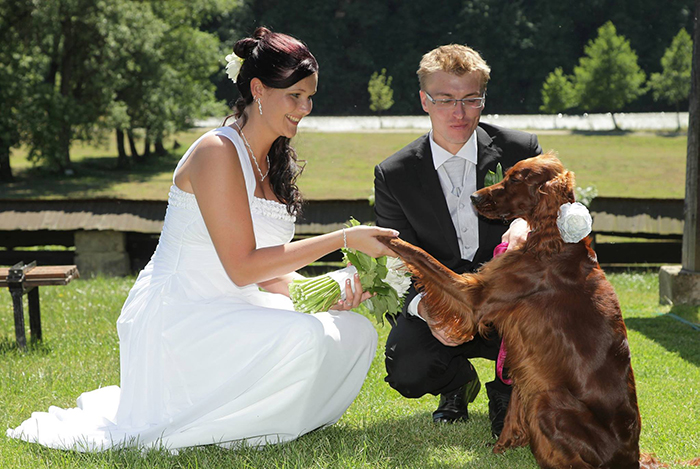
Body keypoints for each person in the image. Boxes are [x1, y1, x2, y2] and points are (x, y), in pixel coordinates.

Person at [7, 27, 398, 452]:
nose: (305, 108)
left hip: (240, 304)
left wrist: (324, 292)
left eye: (310, 96)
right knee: (305, 337)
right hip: (183, 314)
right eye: (295, 95)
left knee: (356, 332)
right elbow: (243, 265)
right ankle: (238, 423)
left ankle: (264, 419)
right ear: (258, 89)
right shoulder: (217, 152)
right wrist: (344, 238)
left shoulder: (272, 159)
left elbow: (266, 276)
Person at [373, 44, 542, 437]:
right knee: (407, 369)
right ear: (424, 101)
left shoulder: (519, 150)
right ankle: (456, 383)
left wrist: (527, 225)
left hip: (512, 300)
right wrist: (427, 310)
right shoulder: (393, 173)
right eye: (445, 99)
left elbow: (562, 214)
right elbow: (398, 261)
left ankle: (506, 389)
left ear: (483, 99)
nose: (459, 113)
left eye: (471, 99)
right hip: (443, 299)